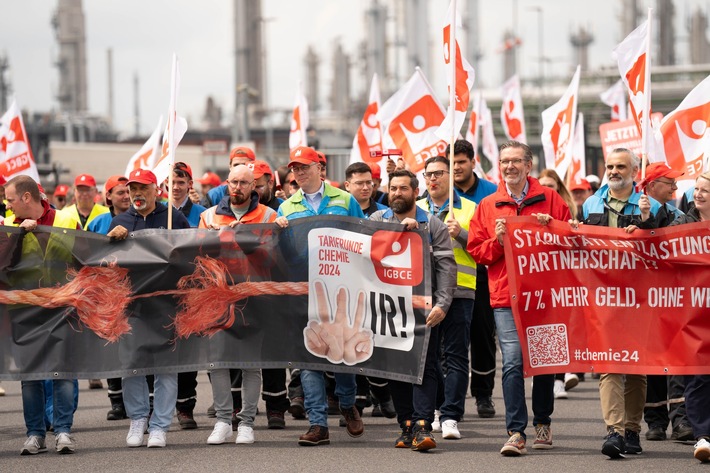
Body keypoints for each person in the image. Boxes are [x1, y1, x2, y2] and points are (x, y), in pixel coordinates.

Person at [468, 140, 571, 456]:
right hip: (505, 295)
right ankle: (516, 431)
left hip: (546, 295)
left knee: (544, 363)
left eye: (515, 161)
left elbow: (571, 241)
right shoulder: (488, 205)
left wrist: (552, 228)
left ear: (529, 166)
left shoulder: (551, 199)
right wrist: (499, 242)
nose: (508, 166)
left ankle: (543, 422)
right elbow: (477, 252)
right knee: (512, 361)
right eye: (503, 162)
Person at [275, 146, 366, 446]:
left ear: (320, 168)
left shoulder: (345, 199)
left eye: (304, 167)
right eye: (295, 168)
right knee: (309, 356)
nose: (299, 173)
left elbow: (364, 236)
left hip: (341, 288)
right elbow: (282, 255)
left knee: (342, 353)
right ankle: (318, 424)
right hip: (304, 290)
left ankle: (347, 402)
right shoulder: (286, 208)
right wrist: (278, 234)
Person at [580, 148, 661, 458]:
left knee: (637, 367)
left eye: (620, 166)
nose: (613, 171)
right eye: (610, 166)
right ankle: (614, 431)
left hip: (641, 297)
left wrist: (646, 224)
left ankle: (632, 429)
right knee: (608, 363)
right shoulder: (590, 204)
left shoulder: (651, 205)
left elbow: (671, 242)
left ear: (634, 172)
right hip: (602, 295)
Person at [370, 169, 456, 451]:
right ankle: (405, 425)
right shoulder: (375, 221)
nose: (397, 193)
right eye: (393, 188)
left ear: (416, 192)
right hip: (387, 310)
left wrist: (443, 305)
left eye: (403, 188)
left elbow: (446, 269)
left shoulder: (432, 225)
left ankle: (422, 425)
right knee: (396, 368)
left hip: (424, 310)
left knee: (425, 366)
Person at [107, 168, 191, 448]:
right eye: (132, 189)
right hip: (131, 306)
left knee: (166, 368)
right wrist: (113, 239)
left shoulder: (173, 217)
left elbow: (191, 254)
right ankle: (138, 418)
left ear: (157, 190)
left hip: (166, 304)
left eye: (143, 188)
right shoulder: (119, 220)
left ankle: (160, 426)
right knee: (132, 365)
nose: (137, 194)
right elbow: (106, 263)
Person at [199, 164, 276, 445]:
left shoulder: (268, 215)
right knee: (217, 362)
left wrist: (244, 239)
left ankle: (246, 422)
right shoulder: (208, 216)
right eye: (233, 182)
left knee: (250, 364)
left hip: (253, 297)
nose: (238, 188)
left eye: (244, 183)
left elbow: (272, 259)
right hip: (217, 297)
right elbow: (200, 257)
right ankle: (222, 421)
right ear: (226, 184)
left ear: (254, 186)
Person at [4, 175, 82, 455]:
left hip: (62, 309)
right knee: (31, 375)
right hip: (25, 312)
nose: (7, 205)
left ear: (27, 198)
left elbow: (82, 260)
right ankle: (35, 434)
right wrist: (17, 235)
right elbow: (4, 266)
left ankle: (63, 431)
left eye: (10, 199)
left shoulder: (66, 220)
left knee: (63, 372)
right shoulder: (10, 226)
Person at [416, 156, 477, 440]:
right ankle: (438, 408)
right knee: (429, 358)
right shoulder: (416, 209)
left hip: (461, 290)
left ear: (451, 175)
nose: (433, 179)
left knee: (455, 355)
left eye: (439, 173)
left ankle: (452, 414)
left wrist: (461, 233)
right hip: (424, 292)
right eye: (428, 174)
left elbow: (484, 250)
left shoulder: (469, 208)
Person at [635, 162, 693, 442]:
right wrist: (645, 219)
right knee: (651, 362)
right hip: (642, 299)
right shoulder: (631, 211)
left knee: (677, 361)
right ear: (652, 185)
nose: (674, 187)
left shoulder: (681, 216)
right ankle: (655, 422)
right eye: (669, 182)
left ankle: (681, 421)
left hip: (674, 297)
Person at [446, 139, 498, 419]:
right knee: (450, 342)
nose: (456, 168)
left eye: (461, 162)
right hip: (446, 277)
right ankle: (448, 398)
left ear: (473, 161)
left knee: (483, 336)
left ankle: (483, 394)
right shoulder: (442, 190)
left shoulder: (492, 192)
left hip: (482, 274)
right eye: (451, 163)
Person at [667, 171, 710, 463]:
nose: (699, 194)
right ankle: (703, 435)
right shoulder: (682, 222)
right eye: (696, 189)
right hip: (693, 309)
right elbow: (663, 253)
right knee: (698, 373)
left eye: (705, 189)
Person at [85, 175, 132, 420]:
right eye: (120, 192)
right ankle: (116, 401)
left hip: (134, 292)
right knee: (111, 346)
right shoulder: (97, 223)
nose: (126, 196)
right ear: (108, 197)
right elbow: (85, 254)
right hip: (106, 294)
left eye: (128, 191)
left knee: (133, 346)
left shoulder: (139, 219)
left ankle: (138, 401)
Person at [537, 169, 581, 400]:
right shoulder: (533, 210)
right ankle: (547, 376)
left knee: (562, 329)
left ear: (558, 189)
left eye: (550, 186)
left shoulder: (569, 211)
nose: (546, 190)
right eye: (542, 185)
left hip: (564, 280)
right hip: (539, 280)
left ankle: (558, 379)